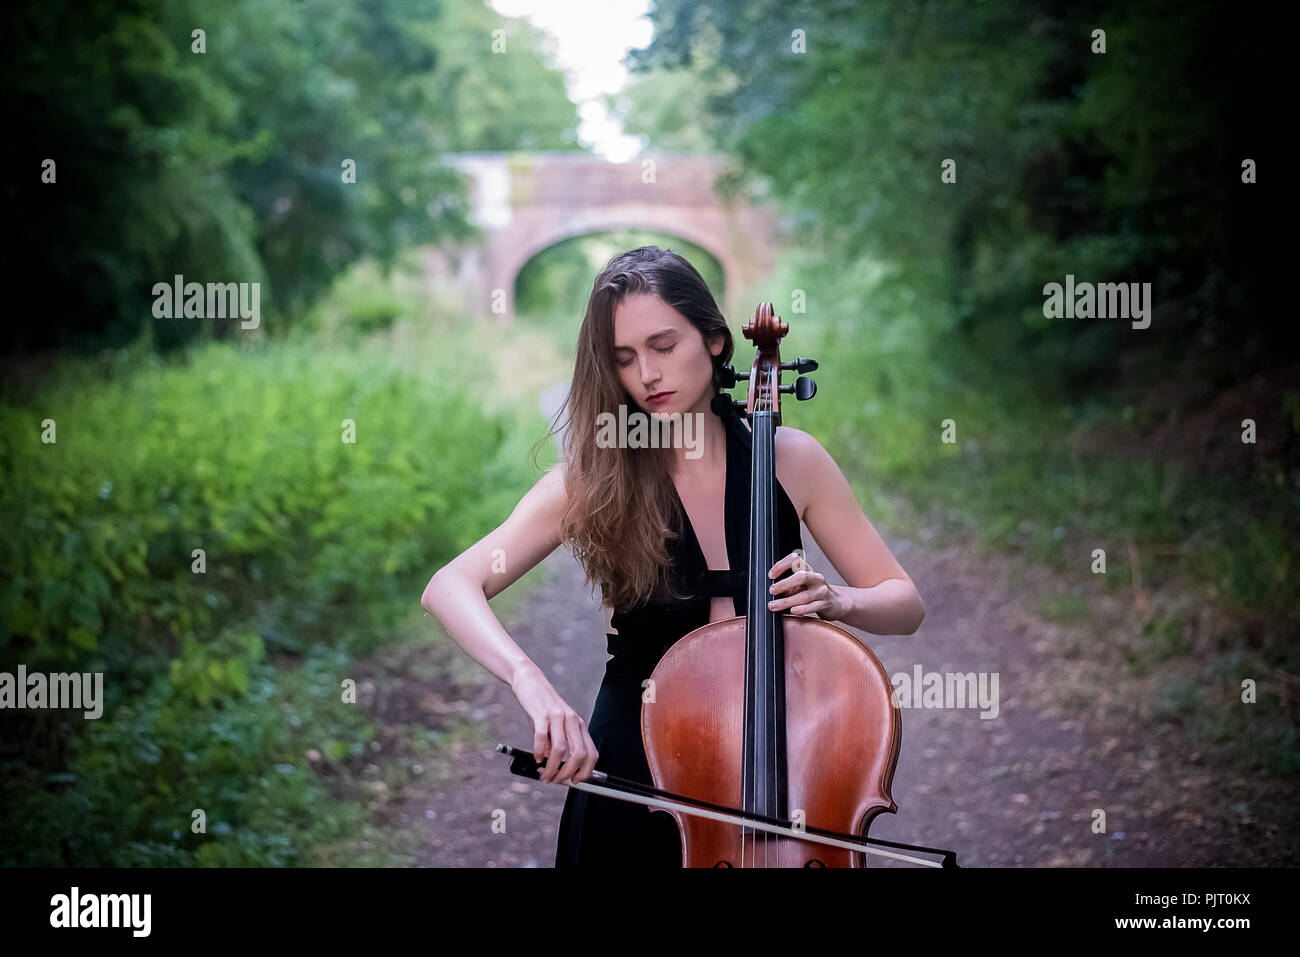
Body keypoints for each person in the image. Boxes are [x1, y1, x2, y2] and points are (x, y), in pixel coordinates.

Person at [420, 245, 926, 868]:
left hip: (784, 765)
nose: (648, 375)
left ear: (714, 340)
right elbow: (451, 585)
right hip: (637, 771)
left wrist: (839, 600)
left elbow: (904, 604)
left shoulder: (793, 461)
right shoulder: (594, 480)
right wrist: (534, 686)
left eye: (664, 346)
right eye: (625, 359)